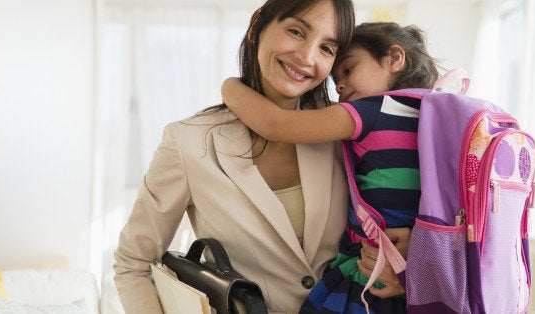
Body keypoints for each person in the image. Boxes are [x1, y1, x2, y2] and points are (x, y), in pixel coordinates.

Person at [113, 1, 356, 313]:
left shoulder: (343, 137)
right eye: (296, 31)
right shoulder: (190, 142)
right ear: (257, 24)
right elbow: (133, 263)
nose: (307, 58)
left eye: (326, 48)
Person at [221, 22, 440, 313]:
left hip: (368, 277)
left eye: (348, 70)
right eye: (335, 78)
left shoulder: (371, 111)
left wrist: (229, 87)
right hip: (424, 276)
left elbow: (276, 125)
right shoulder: (436, 110)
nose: (338, 86)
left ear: (394, 59)